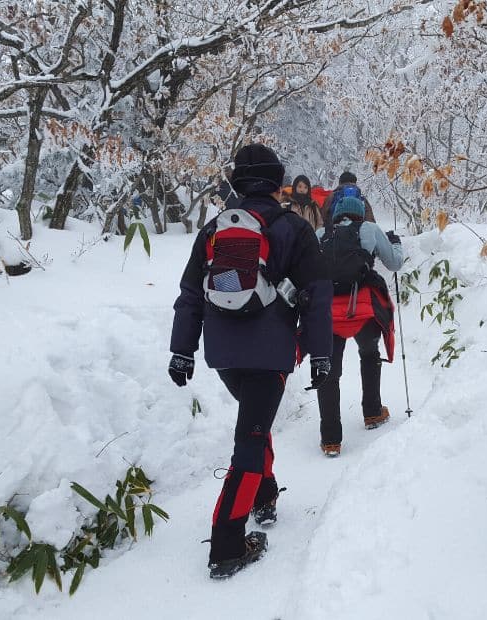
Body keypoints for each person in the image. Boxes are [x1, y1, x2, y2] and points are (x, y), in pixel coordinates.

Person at [168, 143, 332, 579]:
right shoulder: (293, 228)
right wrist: (321, 355)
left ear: (236, 183)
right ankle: (226, 543)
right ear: (277, 182)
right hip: (271, 352)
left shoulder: (214, 231)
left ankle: (264, 494)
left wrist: (182, 350)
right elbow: (315, 298)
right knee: (251, 440)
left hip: (222, 352)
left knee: (253, 425)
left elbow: (189, 293)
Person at [316, 196, 403, 456]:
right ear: (360, 213)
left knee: (329, 372)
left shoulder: (321, 233)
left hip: (330, 312)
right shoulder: (369, 229)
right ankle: (373, 413)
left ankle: (331, 439)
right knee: (369, 355)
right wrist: (396, 243)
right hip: (363, 309)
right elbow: (395, 263)